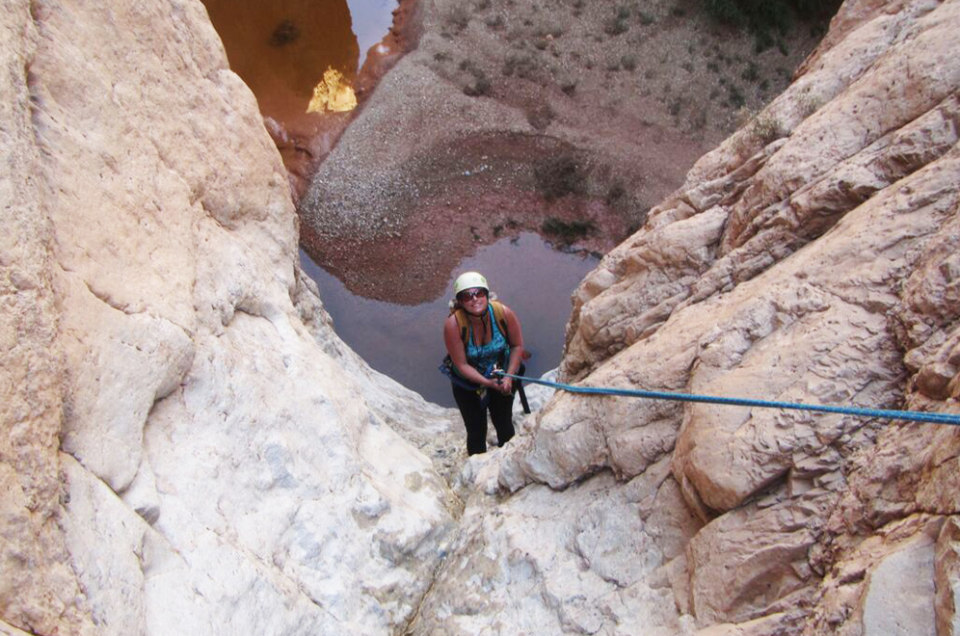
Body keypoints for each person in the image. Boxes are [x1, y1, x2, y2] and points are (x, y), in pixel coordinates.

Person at [442, 271, 525, 455]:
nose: (474, 299)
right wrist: (487, 383)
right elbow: (461, 364)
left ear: (487, 294)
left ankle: (509, 460)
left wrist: (509, 377)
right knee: (476, 431)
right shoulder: (454, 325)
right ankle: (478, 469)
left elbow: (517, 346)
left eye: (479, 293)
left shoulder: (502, 313)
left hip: (501, 375)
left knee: (504, 423)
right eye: (467, 296)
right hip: (467, 385)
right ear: (460, 302)